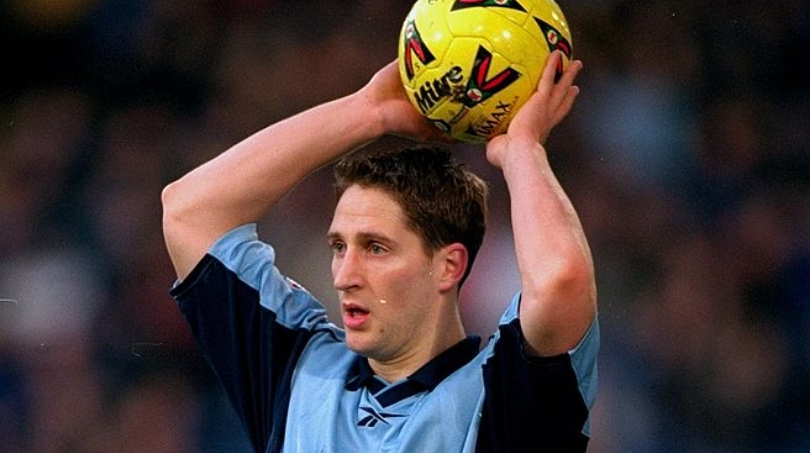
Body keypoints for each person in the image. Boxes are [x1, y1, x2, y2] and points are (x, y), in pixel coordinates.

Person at [162, 50, 598, 452]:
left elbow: (561, 281)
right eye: (338, 246)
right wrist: (369, 110)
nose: (343, 275)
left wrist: (521, 148)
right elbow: (191, 211)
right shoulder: (297, 371)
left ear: (449, 266)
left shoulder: (505, 396)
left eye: (375, 248)